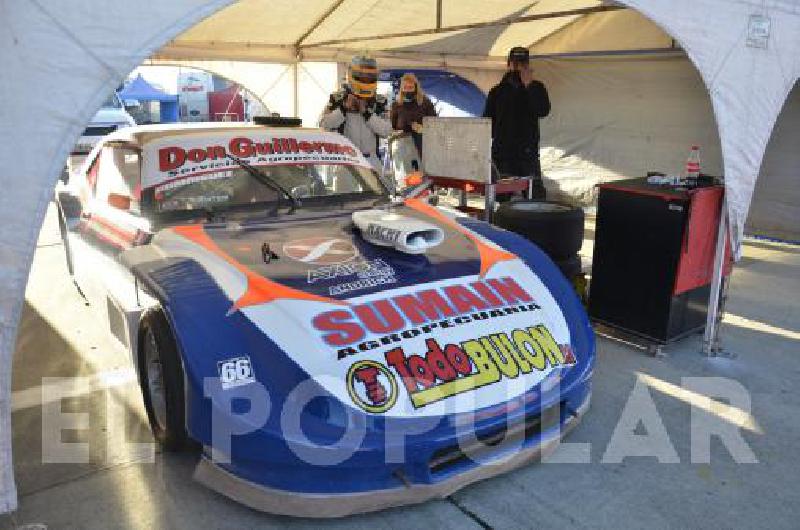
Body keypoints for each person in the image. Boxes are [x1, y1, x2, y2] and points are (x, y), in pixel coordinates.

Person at [483, 46, 550, 199]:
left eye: (523, 64)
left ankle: (533, 222)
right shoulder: (497, 91)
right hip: (503, 154)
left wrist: (529, 86)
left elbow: (543, 111)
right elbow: (487, 121)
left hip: (528, 153)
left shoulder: (537, 87)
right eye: (516, 64)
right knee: (501, 197)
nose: (519, 67)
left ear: (527, 65)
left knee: (535, 195)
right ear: (509, 64)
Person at [319, 55, 392, 170]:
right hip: (345, 159)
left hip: (371, 160)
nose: (366, 79)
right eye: (362, 76)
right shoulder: (338, 98)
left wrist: (366, 113)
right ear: (352, 75)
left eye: (370, 77)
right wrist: (343, 109)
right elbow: (323, 125)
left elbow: (386, 131)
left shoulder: (380, 101)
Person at [390, 73, 437, 156]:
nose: (408, 90)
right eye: (405, 87)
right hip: (402, 146)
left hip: (422, 145)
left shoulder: (425, 102)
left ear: (416, 88)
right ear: (401, 88)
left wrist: (423, 128)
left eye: (410, 87)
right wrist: (396, 132)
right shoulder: (396, 105)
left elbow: (434, 123)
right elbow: (392, 127)